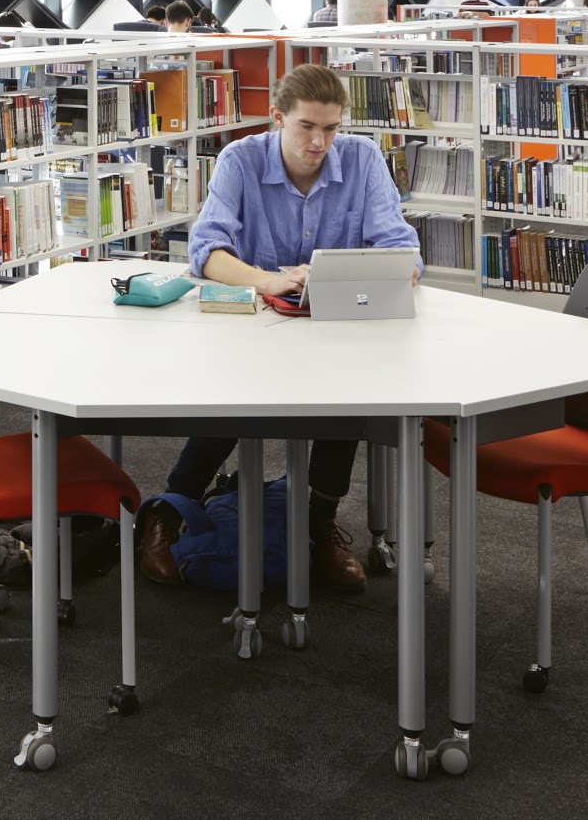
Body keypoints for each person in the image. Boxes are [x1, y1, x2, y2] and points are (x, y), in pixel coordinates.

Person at [138, 63, 421, 591]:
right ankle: (171, 507)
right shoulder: (240, 160)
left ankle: (320, 517)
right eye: (307, 127)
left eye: (332, 128)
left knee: (348, 397)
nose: (320, 142)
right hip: (255, 323)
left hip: (335, 323)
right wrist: (270, 280)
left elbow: (403, 251)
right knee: (237, 402)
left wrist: (350, 275)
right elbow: (206, 254)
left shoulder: (361, 159)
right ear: (277, 119)